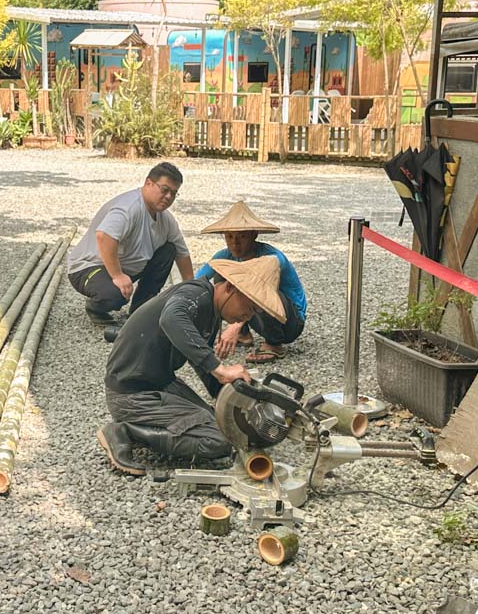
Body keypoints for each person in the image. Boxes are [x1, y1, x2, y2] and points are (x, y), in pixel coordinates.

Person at [97, 256, 286, 476]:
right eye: (250, 307)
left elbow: (200, 360)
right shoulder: (195, 294)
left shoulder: (211, 312)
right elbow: (171, 318)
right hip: (131, 394)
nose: (248, 316)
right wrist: (221, 368)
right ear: (229, 287)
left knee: (223, 426)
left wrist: (232, 397)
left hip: (159, 383)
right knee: (218, 441)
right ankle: (126, 432)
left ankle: (145, 428)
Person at [68, 162, 194, 327]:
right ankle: (96, 307)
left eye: (173, 193)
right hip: (88, 267)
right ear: (148, 183)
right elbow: (104, 236)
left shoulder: (166, 219)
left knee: (168, 250)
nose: (168, 197)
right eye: (164, 190)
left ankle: (140, 309)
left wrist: (191, 289)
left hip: (126, 267)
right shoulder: (129, 207)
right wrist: (117, 276)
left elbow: (181, 253)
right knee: (114, 295)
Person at [195, 201, 306, 365]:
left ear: (253, 235)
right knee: (222, 278)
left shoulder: (273, 258)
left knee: (258, 288)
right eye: (230, 237)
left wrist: (233, 327)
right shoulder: (223, 256)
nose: (235, 243)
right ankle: (244, 335)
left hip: (290, 321)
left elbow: (257, 293)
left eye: (242, 237)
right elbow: (197, 284)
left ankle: (274, 343)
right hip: (253, 314)